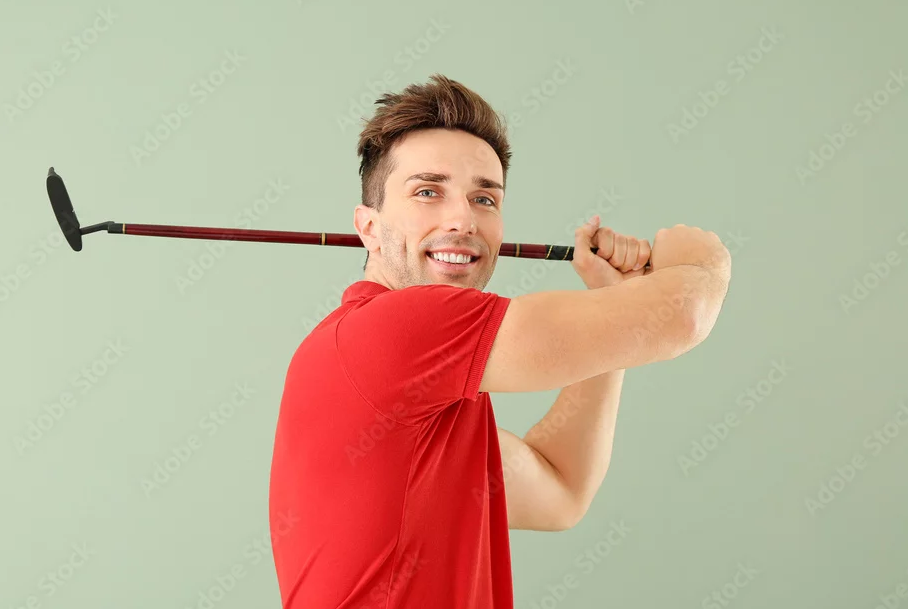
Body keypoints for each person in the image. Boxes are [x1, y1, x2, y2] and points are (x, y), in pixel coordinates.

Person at [268, 74, 732, 607]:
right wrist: (702, 262)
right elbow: (683, 315)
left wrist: (612, 296)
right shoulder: (396, 329)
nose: (462, 219)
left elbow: (560, 490)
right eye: (427, 192)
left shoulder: (419, 389)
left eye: (484, 198)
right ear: (368, 227)